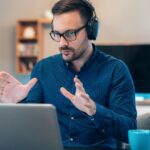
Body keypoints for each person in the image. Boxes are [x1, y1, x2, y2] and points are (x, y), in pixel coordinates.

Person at [0, 0, 137, 149]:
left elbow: (128, 131)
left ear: (91, 30)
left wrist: (94, 110)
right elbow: (30, 126)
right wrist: (16, 105)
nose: (61, 43)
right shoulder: (43, 69)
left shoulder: (116, 70)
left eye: (70, 33)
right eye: (57, 34)